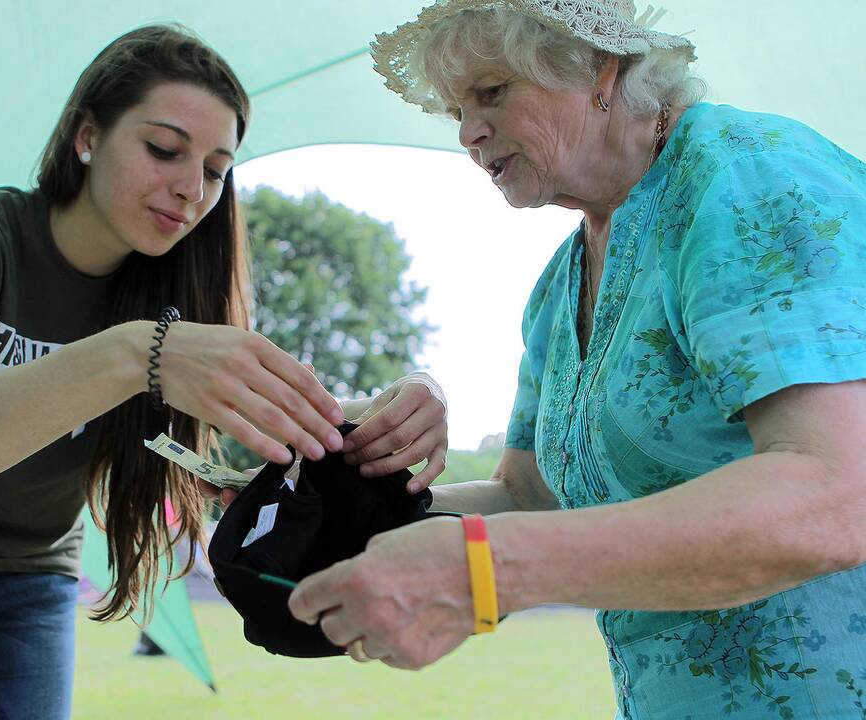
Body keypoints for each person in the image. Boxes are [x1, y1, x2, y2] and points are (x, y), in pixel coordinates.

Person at [0, 25, 448, 719]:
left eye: (217, 170)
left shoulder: (177, 301)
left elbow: (288, 409)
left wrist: (414, 396)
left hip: (29, 575)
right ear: (86, 136)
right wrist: (136, 355)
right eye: (164, 149)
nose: (192, 188)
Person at [288, 2, 866, 718]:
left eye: (492, 93)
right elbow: (533, 497)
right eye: (456, 110)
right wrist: (329, 500)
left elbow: (838, 496)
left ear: (601, 69)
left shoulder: (750, 177)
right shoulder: (557, 287)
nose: (469, 132)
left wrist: (483, 574)